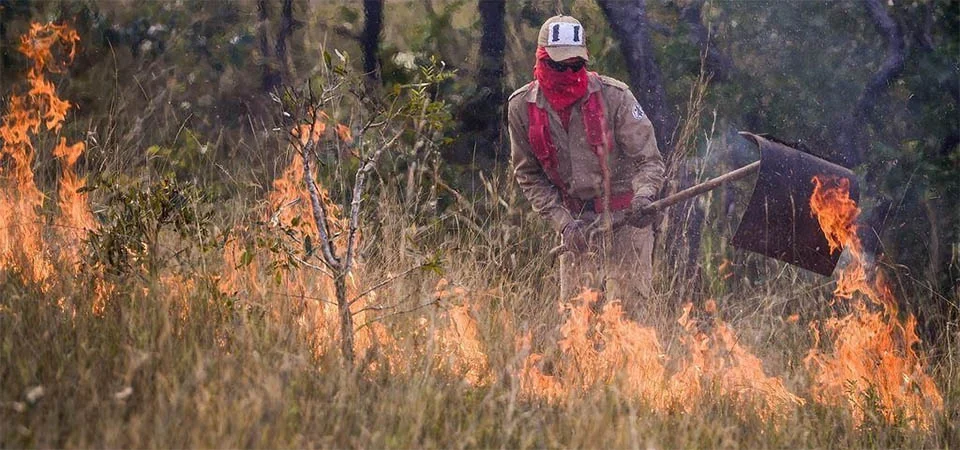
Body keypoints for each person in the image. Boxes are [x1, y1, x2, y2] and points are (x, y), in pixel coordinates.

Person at [508, 15, 665, 315]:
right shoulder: (521, 108)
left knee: (630, 319)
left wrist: (644, 196)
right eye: (558, 65)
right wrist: (563, 224)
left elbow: (649, 159)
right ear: (541, 60)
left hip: (626, 218)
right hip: (577, 227)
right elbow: (527, 174)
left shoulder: (615, 97)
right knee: (579, 323)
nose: (567, 72)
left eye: (574, 65)